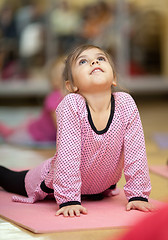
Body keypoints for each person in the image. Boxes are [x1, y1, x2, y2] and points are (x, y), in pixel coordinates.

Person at [0, 44, 153, 217]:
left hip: (97, 187)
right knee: (9, 178)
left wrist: (138, 195)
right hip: (53, 180)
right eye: (83, 61)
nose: (94, 61)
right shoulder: (72, 104)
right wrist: (69, 199)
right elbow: (67, 156)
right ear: (71, 86)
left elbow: (136, 153)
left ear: (114, 78)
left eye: (100, 58)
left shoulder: (125, 103)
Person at [0, 58, 64, 147]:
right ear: (54, 82)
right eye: (65, 72)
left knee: (18, 130)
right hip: (35, 135)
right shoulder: (55, 97)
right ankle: (4, 130)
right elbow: (60, 127)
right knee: (11, 138)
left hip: (44, 134)